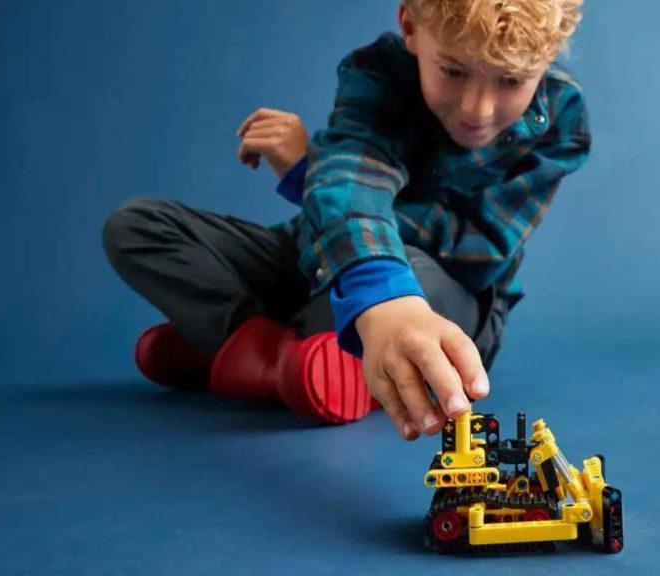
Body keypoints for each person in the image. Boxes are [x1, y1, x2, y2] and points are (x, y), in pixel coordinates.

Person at [102, 0, 590, 441]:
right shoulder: (377, 75)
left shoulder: (562, 119)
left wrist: (308, 177)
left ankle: (227, 349)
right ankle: (268, 358)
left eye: (509, 81)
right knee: (137, 227)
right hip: (321, 261)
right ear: (411, 26)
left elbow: (475, 250)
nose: (476, 110)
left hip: (448, 301)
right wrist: (338, 206)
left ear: (546, 59)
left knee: (403, 276)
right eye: (453, 71)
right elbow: (356, 170)